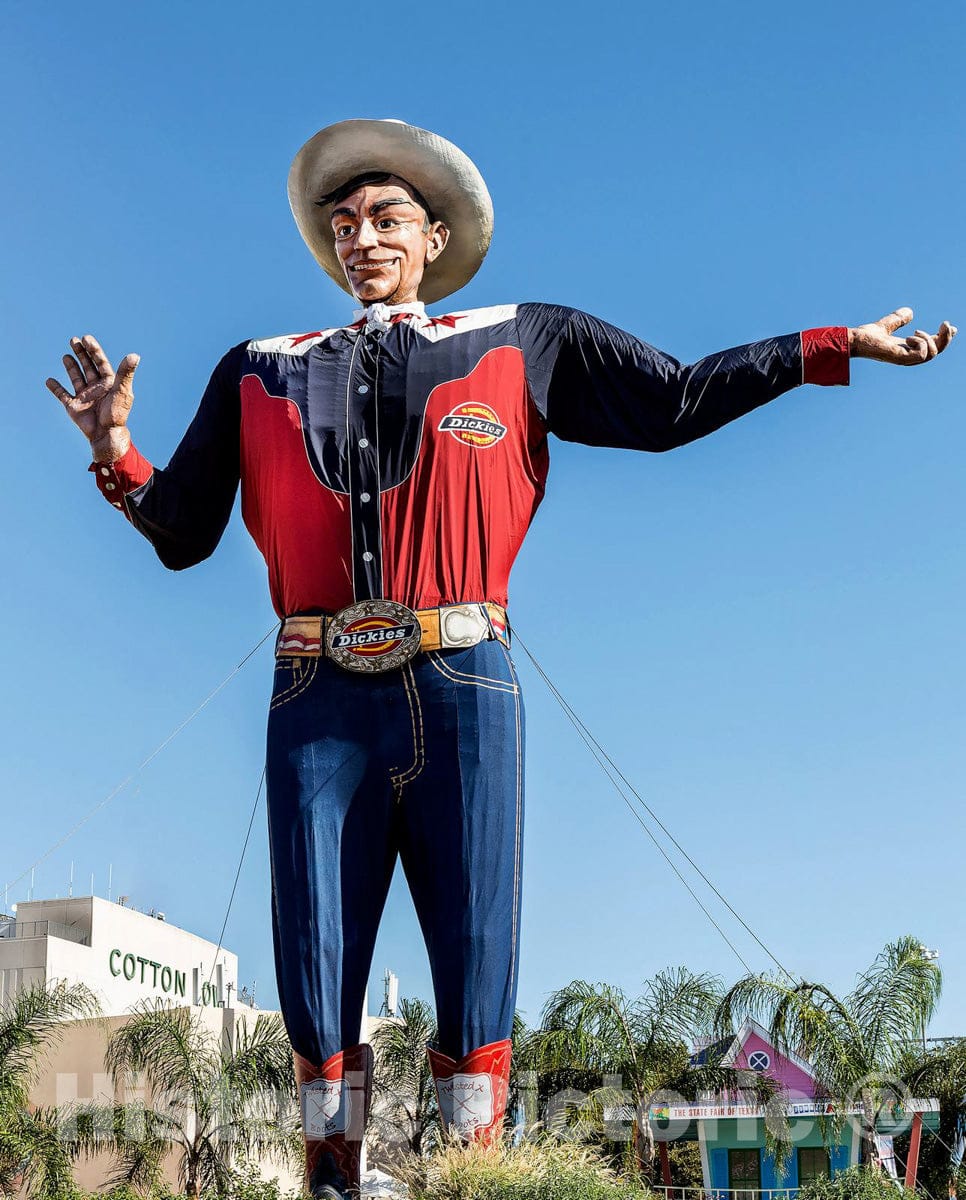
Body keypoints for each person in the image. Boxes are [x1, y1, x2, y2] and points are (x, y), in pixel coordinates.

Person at [46, 119, 956, 1199]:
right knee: (315, 958)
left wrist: (824, 347)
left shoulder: (522, 338)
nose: (363, 238)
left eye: (386, 219)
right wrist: (116, 453)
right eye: (344, 224)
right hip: (316, 689)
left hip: (465, 678)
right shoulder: (258, 371)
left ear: (434, 236)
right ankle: (331, 1175)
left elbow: (668, 400)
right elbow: (184, 531)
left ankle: (469, 1180)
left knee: (476, 955)